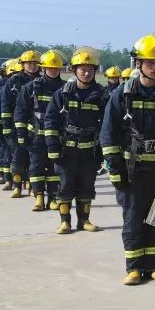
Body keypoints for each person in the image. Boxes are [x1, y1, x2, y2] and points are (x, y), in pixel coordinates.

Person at [100, 33, 155, 285]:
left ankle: (154, 266)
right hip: (133, 171)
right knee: (132, 220)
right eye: (149, 62)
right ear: (138, 63)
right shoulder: (123, 94)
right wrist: (114, 168)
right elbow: (108, 134)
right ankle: (133, 268)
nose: (154, 67)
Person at [45, 47, 108, 234]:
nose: (86, 73)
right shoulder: (62, 93)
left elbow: (108, 124)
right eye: (82, 70)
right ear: (74, 70)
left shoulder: (102, 95)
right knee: (65, 186)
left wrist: (104, 151)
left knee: (87, 186)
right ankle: (65, 222)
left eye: (90, 70)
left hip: (90, 152)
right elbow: (51, 120)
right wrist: (52, 147)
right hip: (67, 151)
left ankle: (84, 221)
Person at [17, 50, 66, 211]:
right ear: (43, 68)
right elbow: (21, 111)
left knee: (54, 167)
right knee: (36, 166)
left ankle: (52, 198)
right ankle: (38, 197)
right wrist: (21, 133)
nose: (53, 71)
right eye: (50, 68)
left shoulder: (66, 88)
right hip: (36, 135)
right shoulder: (30, 87)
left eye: (56, 68)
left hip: (57, 136)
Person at [2, 50, 41, 197]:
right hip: (16, 125)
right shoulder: (13, 81)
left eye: (35, 63)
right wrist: (6, 126)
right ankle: (17, 186)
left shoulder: (42, 81)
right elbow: (5, 104)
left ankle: (31, 186)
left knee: (33, 159)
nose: (32, 66)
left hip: (35, 126)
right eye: (29, 63)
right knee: (17, 158)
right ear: (23, 64)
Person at [0, 59, 19, 186]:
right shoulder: (4, 89)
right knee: (6, 151)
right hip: (8, 126)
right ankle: (6, 177)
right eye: (13, 74)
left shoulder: (29, 87)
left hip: (22, 127)